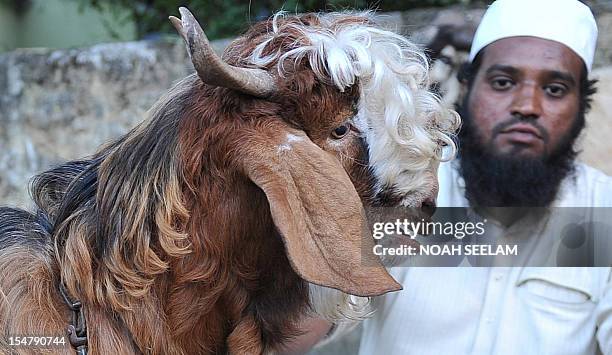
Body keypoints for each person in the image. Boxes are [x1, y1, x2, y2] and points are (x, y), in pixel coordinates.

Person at [355, 0, 612, 354]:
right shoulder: (400, 189)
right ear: (468, 87)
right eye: (503, 82)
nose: (527, 105)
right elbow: (306, 325)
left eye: (554, 89)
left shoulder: (603, 212)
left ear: (582, 105)